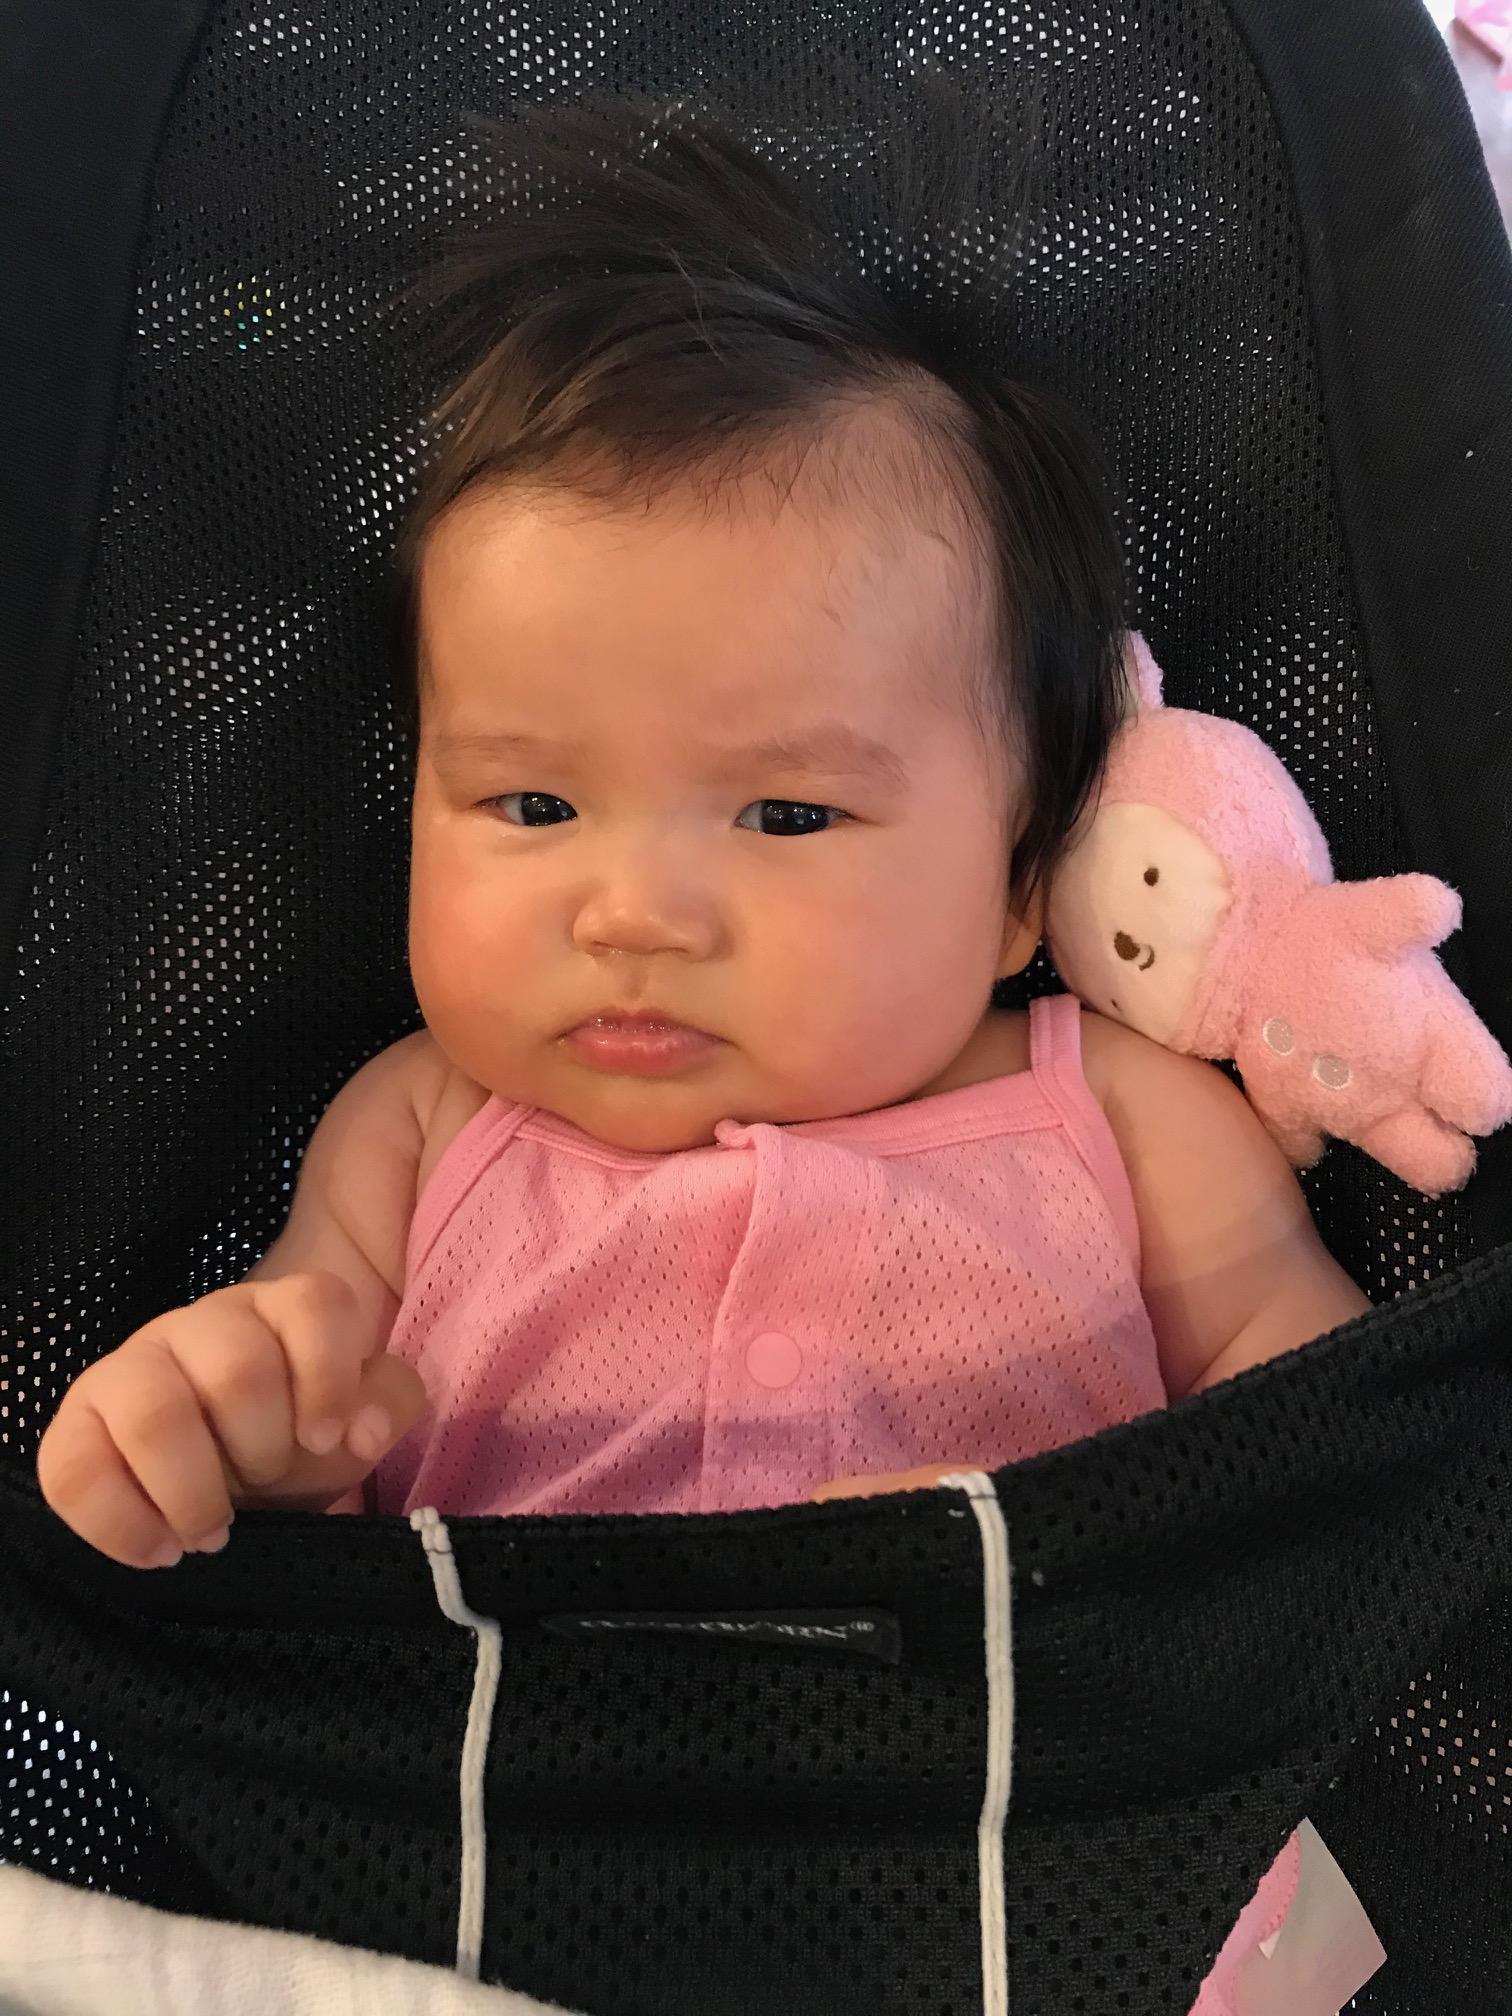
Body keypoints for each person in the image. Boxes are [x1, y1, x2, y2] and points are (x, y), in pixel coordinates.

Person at [35, 87, 1378, 2008]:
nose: (635, 912)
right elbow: (301, 1398)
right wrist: (217, 1420)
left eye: (786, 815)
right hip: (491, 1881)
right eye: (529, 806)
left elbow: (1327, 1448)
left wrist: (1121, 1584)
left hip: (1045, 1877)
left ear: (1021, 881)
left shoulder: (1124, 1118)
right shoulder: (416, 1130)